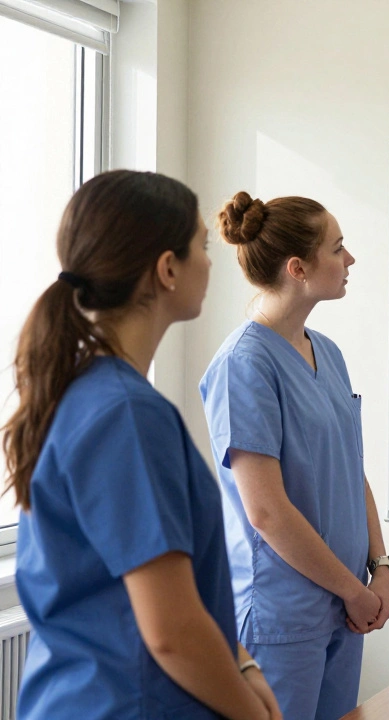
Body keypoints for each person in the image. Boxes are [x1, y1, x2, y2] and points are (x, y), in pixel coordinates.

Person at [4, 171, 280, 718]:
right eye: (202, 247)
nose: (210, 264)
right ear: (167, 269)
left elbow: (177, 595)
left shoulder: (86, 393)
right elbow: (171, 631)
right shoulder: (126, 414)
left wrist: (244, 665)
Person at [199, 193, 389, 720]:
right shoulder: (244, 364)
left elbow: (351, 470)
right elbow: (265, 511)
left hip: (347, 606)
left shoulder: (328, 352)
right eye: (338, 247)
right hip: (284, 615)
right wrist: (353, 590)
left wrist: (380, 568)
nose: (350, 259)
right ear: (298, 268)